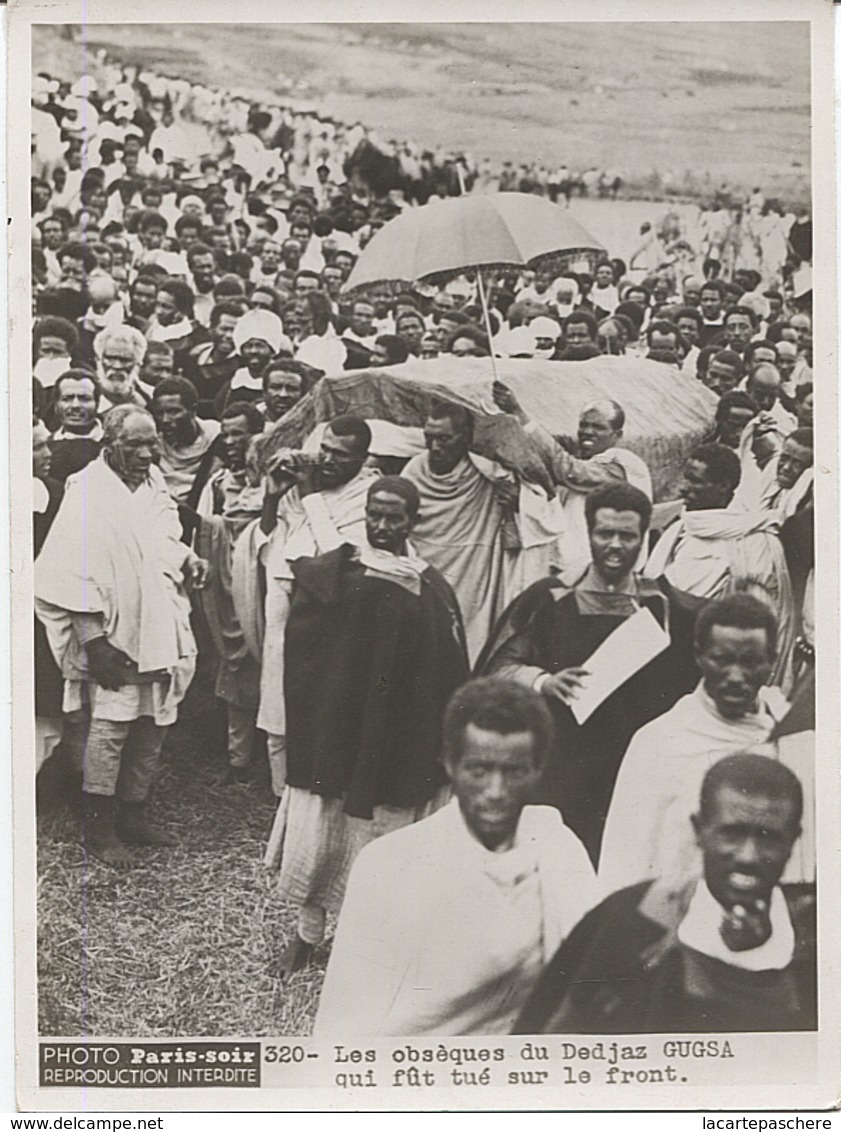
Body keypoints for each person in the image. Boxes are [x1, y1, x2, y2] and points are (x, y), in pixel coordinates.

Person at [314, 678, 597, 1036]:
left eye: (514, 772)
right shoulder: (389, 866)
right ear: (450, 764)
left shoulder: (558, 847)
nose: (495, 792)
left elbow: (590, 982)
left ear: (538, 770)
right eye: (478, 771)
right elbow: (343, 1023)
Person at [271, 477, 470, 977]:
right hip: (337, 729)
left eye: (394, 517)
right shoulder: (336, 572)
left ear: (413, 521)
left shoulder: (428, 586)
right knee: (322, 826)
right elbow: (306, 643)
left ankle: (370, 943)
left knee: (382, 837)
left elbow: (445, 665)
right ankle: (305, 936)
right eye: (374, 515)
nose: (382, 527)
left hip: (392, 737)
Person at [515, 754, 815, 1034]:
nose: (748, 856)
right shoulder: (629, 920)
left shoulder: (815, 945)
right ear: (699, 830)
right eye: (732, 833)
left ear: (793, 841)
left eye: (769, 837)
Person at [35, 405, 207, 866]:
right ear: (110, 443)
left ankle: (134, 813)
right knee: (109, 728)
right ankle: (100, 829)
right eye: (136, 444)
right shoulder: (87, 491)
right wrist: (95, 642)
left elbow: (163, 539)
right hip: (112, 631)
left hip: (160, 624)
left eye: (153, 443)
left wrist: (187, 559)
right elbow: (69, 570)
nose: (149, 453)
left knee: (153, 724)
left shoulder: (154, 485)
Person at [478, 482, 684, 864]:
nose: (616, 545)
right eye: (605, 533)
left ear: (644, 538)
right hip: (560, 757)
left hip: (630, 765)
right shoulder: (550, 597)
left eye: (628, 535)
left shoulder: (664, 608)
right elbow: (499, 667)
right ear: (588, 532)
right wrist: (543, 681)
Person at [599, 595, 791, 896]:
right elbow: (622, 863)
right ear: (699, 656)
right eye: (722, 660)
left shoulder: (790, 741)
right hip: (673, 923)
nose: (736, 677)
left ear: (772, 661)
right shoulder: (659, 741)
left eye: (751, 662)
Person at [257, 416, 377, 803]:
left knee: (319, 701)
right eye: (324, 449)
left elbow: (337, 553)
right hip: (283, 601)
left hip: (328, 611)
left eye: (340, 456)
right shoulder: (301, 485)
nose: (326, 460)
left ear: (363, 458)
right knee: (276, 696)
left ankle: (316, 795)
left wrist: (308, 494)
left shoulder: (368, 493)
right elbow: (269, 538)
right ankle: (281, 797)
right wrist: (274, 496)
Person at [644, 443, 795, 687]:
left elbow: (765, 622)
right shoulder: (682, 528)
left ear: (723, 486)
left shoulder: (753, 541)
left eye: (694, 481)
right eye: (686, 478)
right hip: (663, 657)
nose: (684, 488)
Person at [402, 402, 522, 663]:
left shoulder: (487, 472)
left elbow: (533, 507)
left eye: (444, 439)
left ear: (465, 437)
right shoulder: (414, 470)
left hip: (473, 575)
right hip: (425, 571)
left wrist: (517, 503)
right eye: (429, 438)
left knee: (467, 648)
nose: (435, 447)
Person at [493, 383, 652, 577]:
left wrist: (520, 414)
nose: (588, 431)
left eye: (598, 427)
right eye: (584, 425)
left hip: (602, 570)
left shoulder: (622, 465)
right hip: (566, 569)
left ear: (617, 435)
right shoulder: (587, 464)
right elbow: (557, 511)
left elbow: (570, 471)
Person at [195, 402, 265, 783]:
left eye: (241, 433)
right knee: (235, 665)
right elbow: (207, 527)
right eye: (227, 434)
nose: (233, 441)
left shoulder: (275, 481)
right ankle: (238, 759)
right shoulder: (219, 483)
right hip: (230, 585)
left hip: (265, 585)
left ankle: (274, 758)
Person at [150, 376, 221, 504]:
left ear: (193, 410)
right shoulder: (152, 443)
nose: (165, 419)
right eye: (160, 413)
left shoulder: (216, 435)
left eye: (173, 411)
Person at [48, 368, 103, 481]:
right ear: (56, 405)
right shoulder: (46, 446)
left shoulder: (112, 443)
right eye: (67, 399)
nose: (75, 405)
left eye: (84, 399)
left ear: (97, 404)